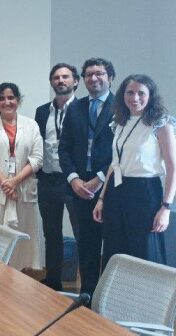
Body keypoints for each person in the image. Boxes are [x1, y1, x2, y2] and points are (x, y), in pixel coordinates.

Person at [94, 74, 175, 266]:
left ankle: (145, 288)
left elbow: (173, 169)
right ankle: (115, 287)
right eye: (130, 92)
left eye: (141, 93)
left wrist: (166, 208)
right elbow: (115, 164)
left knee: (143, 251)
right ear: (123, 95)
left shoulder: (161, 123)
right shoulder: (120, 121)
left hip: (145, 192)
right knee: (115, 249)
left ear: (151, 95)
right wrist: (101, 199)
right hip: (116, 191)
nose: (135, 98)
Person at [58, 57, 116, 297]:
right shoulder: (75, 107)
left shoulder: (121, 107)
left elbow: (121, 151)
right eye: (89, 74)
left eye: (99, 73)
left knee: (111, 246)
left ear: (110, 78)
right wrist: (74, 179)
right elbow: (64, 148)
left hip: (111, 186)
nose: (94, 78)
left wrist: (100, 178)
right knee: (87, 245)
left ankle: (109, 298)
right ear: (83, 80)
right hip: (80, 187)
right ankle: (89, 296)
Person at [0, 83, 44, 270]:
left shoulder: (31, 125)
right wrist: (6, 183)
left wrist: (14, 181)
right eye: (2, 98)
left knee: (19, 244)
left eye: (11, 97)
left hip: (21, 191)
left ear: (18, 100)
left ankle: (15, 280)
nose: (7, 102)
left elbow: (37, 159)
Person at [34, 63, 80, 290]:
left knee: (81, 232)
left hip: (73, 181)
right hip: (48, 179)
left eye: (65, 77)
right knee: (51, 233)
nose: (60, 80)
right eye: (56, 77)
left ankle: (88, 284)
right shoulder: (42, 111)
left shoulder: (82, 109)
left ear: (75, 81)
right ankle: (53, 280)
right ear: (51, 82)